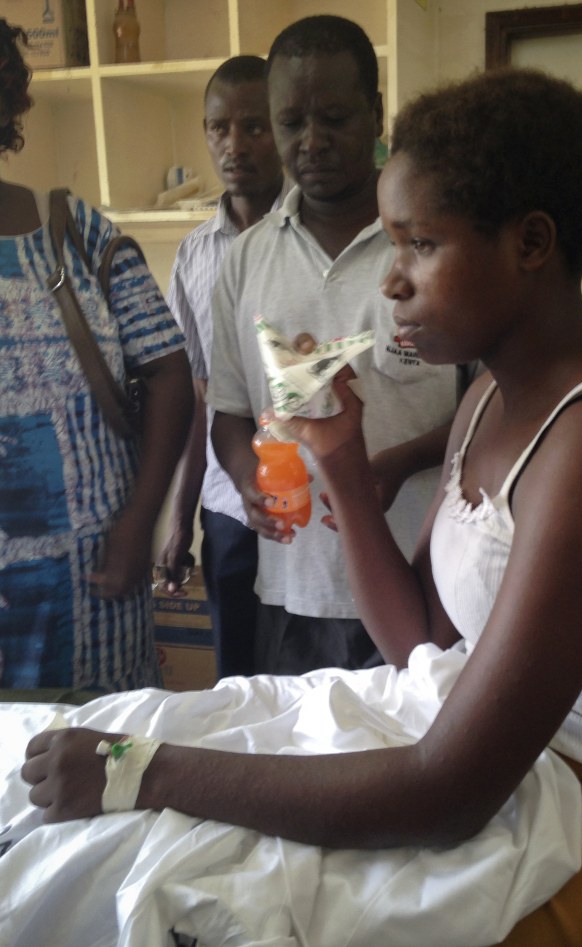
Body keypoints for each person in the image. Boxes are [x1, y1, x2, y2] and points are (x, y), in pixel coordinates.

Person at [16, 65, 582, 946]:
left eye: (418, 246)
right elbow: (420, 646)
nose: (392, 283)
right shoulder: (488, 401)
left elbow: (446, 794)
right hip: (529, 767)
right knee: (139, 851)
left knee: (206, 887)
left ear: (531, 244)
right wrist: (337, 462)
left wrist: (144, 771)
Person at [207, 15, 468, 674]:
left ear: (376, 112)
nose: (312, 141)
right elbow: (232, 411)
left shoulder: (433, 247)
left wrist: (398, 462)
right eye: (291, 122)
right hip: (292, 590)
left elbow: (491, 409)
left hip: (423, 580)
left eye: (335, 118)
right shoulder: (244, 261)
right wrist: (247, 481)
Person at [0, 19, 194, 692]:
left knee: (105, 768)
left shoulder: (76, 233)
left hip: (95, 592)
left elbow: (170, 372)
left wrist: (143, 521)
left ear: (10, 101)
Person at [156, 55, 288, 678]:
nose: (234, 145)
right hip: (227, 509)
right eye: (219, 128)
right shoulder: (194, 255)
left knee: (315, 682)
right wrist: (180, 520)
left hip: (315, 503)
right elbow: (194, 394)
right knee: (237, 679)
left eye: (255, 126)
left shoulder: (313, 235)